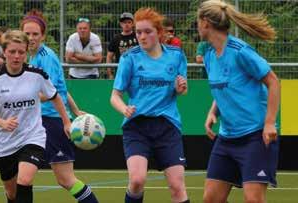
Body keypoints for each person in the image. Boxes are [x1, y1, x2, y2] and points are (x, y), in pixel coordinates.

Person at [197, 1, 280, 203]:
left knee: (253, 200)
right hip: (227, 138)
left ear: (206, 23)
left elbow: (273, 82)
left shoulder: (240, 51)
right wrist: (213, 112)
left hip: (255, 136)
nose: (197, 26)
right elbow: (225, 87)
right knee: (211, 199)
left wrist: (269, 123)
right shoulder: (208, 54)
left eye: (198, 22)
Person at [110, 8, 190, 203]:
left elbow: (182, 89)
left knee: (177, 186)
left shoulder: (176, 55)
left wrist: (180, 87)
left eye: (148, 32)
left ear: (159, 32)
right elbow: (114, 96)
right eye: (138, 32)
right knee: (137, 180)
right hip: (137, 127)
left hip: (167, 125)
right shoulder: (129, 58)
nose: (142, 36)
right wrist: (124, 109)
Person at [0, 30, 71, 203]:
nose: (17, 56)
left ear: (26, 52)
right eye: (12, 52)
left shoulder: (37, 75)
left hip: (33, 137)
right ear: (4, 52)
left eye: (21, 52)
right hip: (6, 142)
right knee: (12, 193)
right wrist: (2, 122)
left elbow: (55, 97)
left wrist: (66, 122)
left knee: (25, 179)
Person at [21, 9, 99, 203]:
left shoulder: (46, 57)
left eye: (35, 34)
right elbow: (62, 89)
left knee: (66, 179)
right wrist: (75, 110)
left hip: (51, 122)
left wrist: (19, 100)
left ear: (43, 36)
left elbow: (51, 93)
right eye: (27, 34)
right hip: (39, 122)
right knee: (22, 176)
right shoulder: (31, 57)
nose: (30, 38)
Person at [106, 12, 138, 79]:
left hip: (136, 72)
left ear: (132, 24)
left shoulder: (138, 36)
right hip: (121, 72)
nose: (126, 24)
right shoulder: (116, 38)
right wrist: (110, 74)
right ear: (121, 24)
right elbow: (109, 57)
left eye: (129, 22)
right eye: (124, 22)